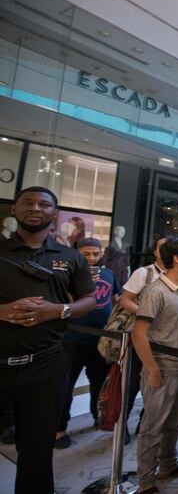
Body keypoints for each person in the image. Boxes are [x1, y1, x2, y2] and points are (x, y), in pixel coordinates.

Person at [0, 186, 95, 494]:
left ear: (54, 215)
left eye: (44, 204)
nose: (35, 208)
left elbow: (89, 300)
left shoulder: (70, 257)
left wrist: (58, 310)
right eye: (27, 202)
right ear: (14, 209)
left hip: (45, 364)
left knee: (38, 451)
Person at [132, 236, 178, 494]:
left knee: (174, 422)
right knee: (153, 427)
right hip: (163, 369)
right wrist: (152, 369)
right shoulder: (155, 291)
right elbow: (138, 334)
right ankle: (145, 482)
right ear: (177, 258)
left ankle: (169, 464)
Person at [56, 238, 120, 448]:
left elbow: (117, 299)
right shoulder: (67, 274)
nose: (91, 257)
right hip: (71, 338)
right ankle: (59, 428)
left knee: (100, 381)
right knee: (65, 384)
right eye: (86, 254)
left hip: (100, 339)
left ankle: (99, 416)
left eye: (95, 253)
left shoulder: (109, 274)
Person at [118, 236, 167, 440]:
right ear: (155, 251)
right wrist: (146, 314)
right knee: (130, 385)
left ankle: (144, 423)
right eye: (162, 248)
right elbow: (125, 300)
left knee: (156, 385)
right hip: (140, 337)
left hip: (163, 340)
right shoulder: (144, 273)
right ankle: (121, 427)